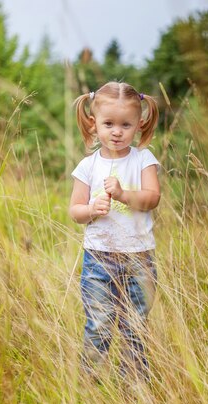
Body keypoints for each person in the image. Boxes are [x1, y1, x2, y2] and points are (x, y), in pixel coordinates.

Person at [69, 81, 160, 381]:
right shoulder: (87, 166)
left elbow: (151, 198)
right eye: (109, 124)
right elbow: (75, 211)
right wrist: (92, 210)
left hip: (138, 259)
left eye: (126, 124)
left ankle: (133, 389)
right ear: (94, 125)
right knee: (99, 324)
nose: (117, 131)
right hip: (98, 259)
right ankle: (88, 384)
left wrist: (122, 195)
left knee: (134, 327)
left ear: (139, 125)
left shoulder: (143, 160)